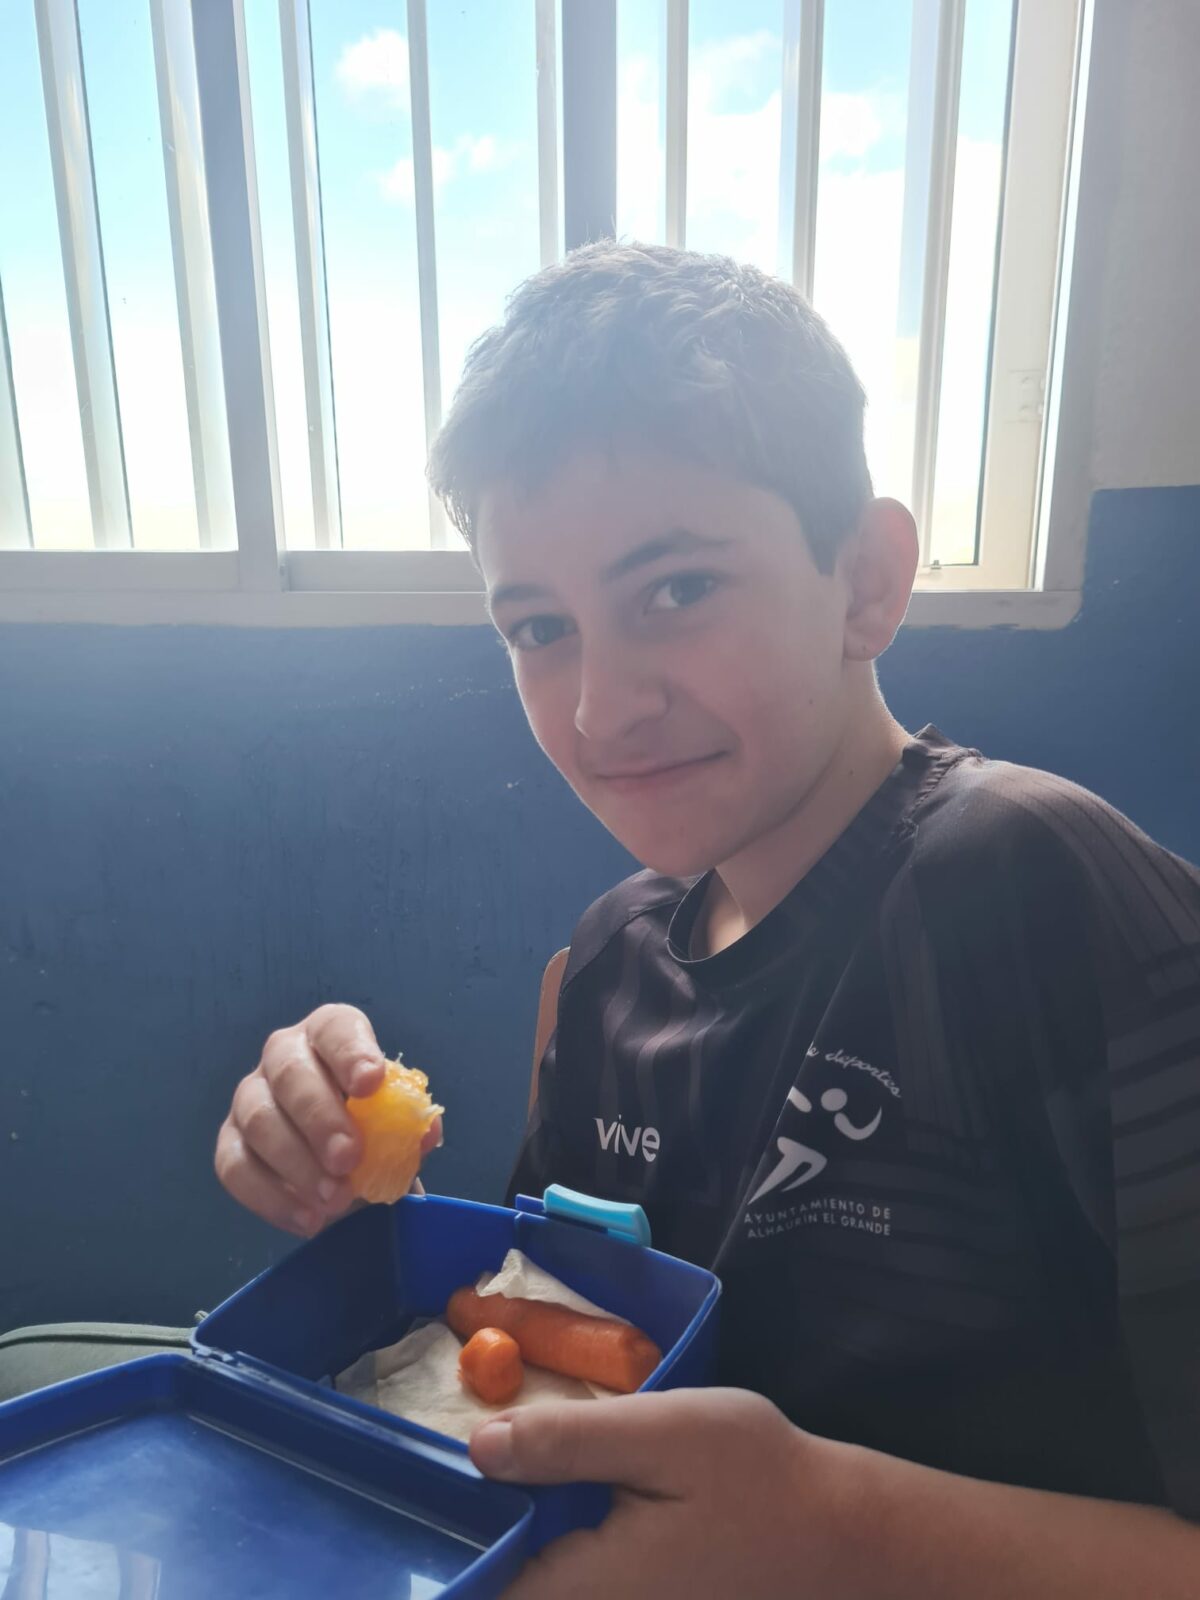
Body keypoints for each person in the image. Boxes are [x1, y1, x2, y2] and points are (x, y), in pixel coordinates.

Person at [214, 243, 1200, 1597]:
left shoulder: (1036, 894)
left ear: (867, 581)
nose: (600, 709)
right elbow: (548, 1344)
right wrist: (351, 1188)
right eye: (540, 628)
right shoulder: (615, 963)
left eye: (675, 591)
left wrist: (836, 1529)